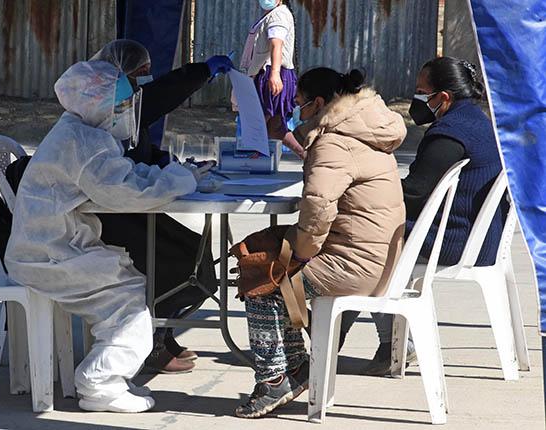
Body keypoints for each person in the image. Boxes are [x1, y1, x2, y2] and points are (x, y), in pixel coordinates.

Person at [4, 60, 202, 413]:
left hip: (50, 245)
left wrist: (168, 174)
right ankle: (98, 384)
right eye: (121, 104)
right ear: (97, 103)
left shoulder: (79, 131)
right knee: (129, 305)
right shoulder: (86, 143)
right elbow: (126, 193)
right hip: (49, 254)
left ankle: (107, 378)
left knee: (129, 288)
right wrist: (180, 179)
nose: (127, 111)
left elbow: (121, 175)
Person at [234, 67, 406, 418]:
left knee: (261, 278)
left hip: (355, 264)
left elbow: (318, 208)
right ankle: (295, 367)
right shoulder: (363, 126)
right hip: (376, 255)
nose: (295, 110)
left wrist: (296, 255)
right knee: (266, 253)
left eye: (298, 104)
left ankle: (276, 377)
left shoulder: (334, 141)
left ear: (319, 103)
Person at [354, 56, 507, 376]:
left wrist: (362, 194)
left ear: (444, 98)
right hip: (479, 236)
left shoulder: (449, 134)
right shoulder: (477, 121)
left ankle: (388, 344)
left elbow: (412, 194)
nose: (416, 98)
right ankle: (366, 340)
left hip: (454, 240)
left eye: (421, 91)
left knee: (362, 241)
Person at [90, 39, 235, 374]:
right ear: (120, 74)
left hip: (127, 207)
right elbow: (163, 93)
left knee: (196, 252)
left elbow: (139, 150)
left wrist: (173, 165)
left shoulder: (126, 107)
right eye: (140, 72)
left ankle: (160, 330)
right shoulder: (101, 110)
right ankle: (152, 340)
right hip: (103, 217)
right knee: (179, 262)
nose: (147, 78)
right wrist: (203, 71)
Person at [234, 0, 304, 157]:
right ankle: (306, 155)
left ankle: (254, 155)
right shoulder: (271, 15)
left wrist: (274, 73)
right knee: (275, 127)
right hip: (270, 74)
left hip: (272, 76)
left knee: (261, 119)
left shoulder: (278, 15)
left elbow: (276, 44)